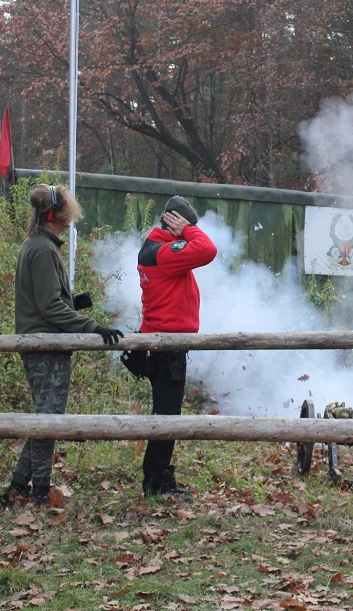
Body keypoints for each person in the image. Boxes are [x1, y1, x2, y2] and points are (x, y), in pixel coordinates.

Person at [4, 184, 125, 507]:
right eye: (67, 209)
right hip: (45, 346)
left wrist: (75, 301)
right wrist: (92, 327)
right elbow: (49, 308)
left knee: (46, 417)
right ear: (53, 215)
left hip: (45, 342)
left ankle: (19, 486)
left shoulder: (40, 245)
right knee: (48, 421)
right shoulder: (42, 249)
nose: (72, 214)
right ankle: (40, 491)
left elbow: (49, 301)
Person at [137, 196, 218, 499]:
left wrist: (184, 231)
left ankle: (158, 477)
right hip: (167, 347)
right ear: (174, 223)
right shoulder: (162, 252)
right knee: (167, 418)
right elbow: (208, 249)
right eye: (184, 225)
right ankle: (156, 481)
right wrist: (188, 231)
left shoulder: (154, 249)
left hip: (162, 345)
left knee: (165, 414)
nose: (187, 231)